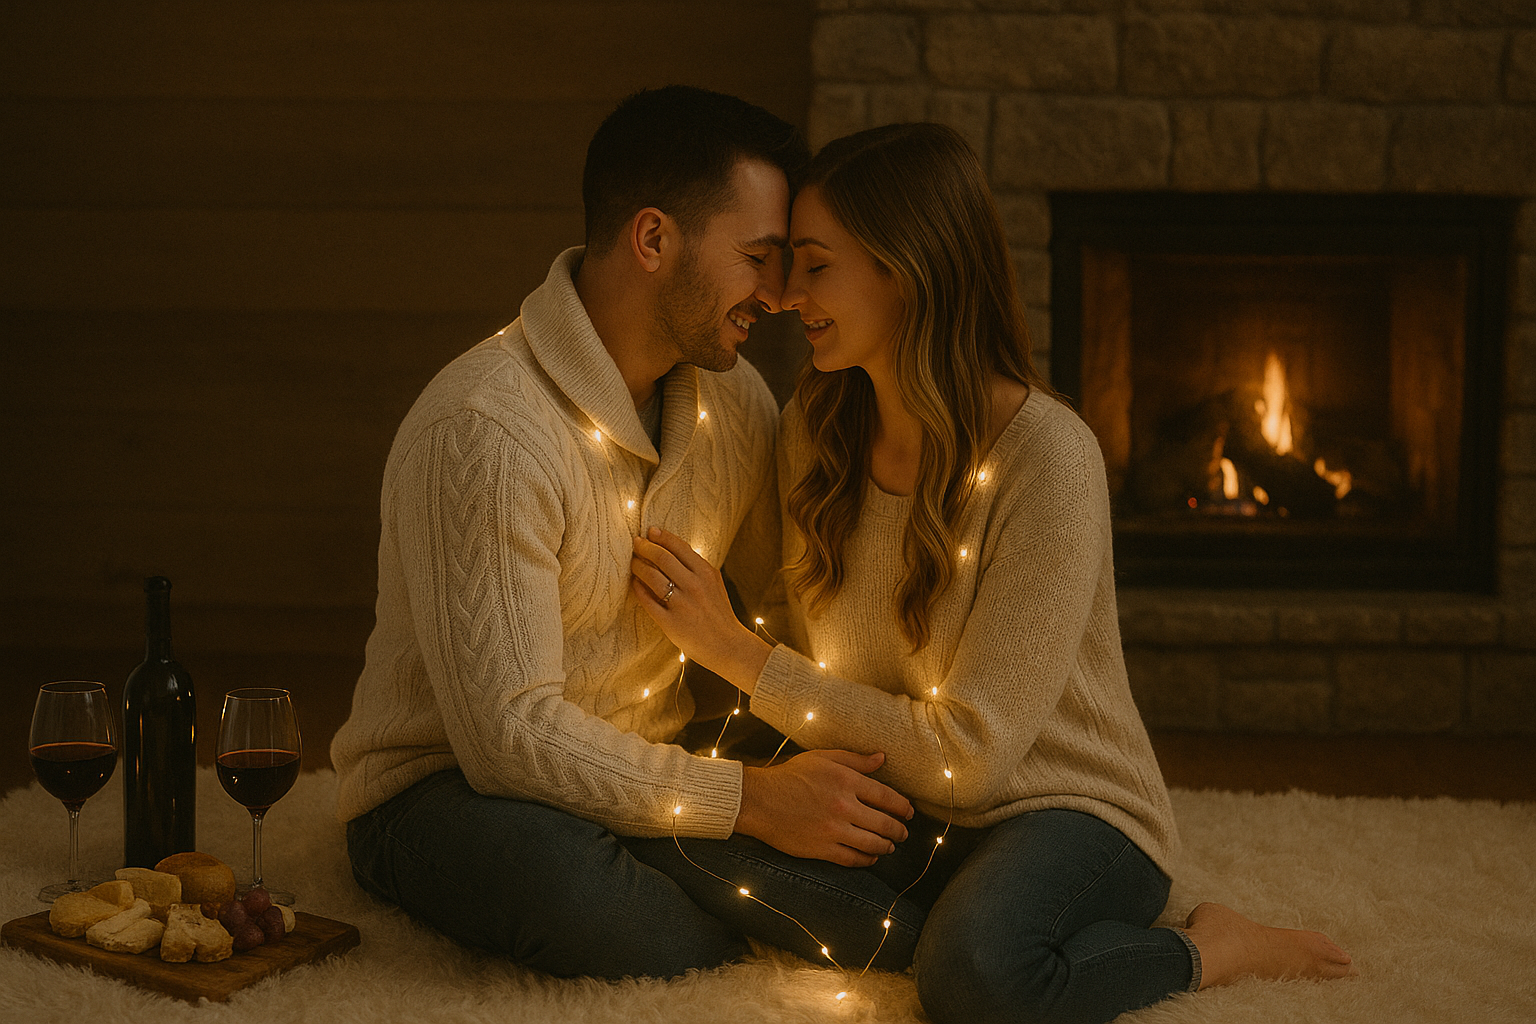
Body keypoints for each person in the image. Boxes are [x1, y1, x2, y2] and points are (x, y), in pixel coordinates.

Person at [630, 122, 1357, 1024]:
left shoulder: (1047, 459)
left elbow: (971, 761)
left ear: (906, 268)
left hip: (1060, 807)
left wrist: (736, 654)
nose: (783, 295)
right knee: (676, 823)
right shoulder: (818, 427)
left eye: (815, 265)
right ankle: (948, 924)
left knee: (979, 977)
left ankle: (1207, 946)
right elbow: (798, 628)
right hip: (905, 796)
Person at [329, 86, 917, 981]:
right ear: (653, 240)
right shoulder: (485, 430)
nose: (782, 295)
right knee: (614, 920)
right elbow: (509, 738)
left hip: (657, 753)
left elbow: (779, 614)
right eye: (758, 258)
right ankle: (701, 883)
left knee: (883, 819)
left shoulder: (735, 402)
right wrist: (753, 802)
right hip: (448, 789)